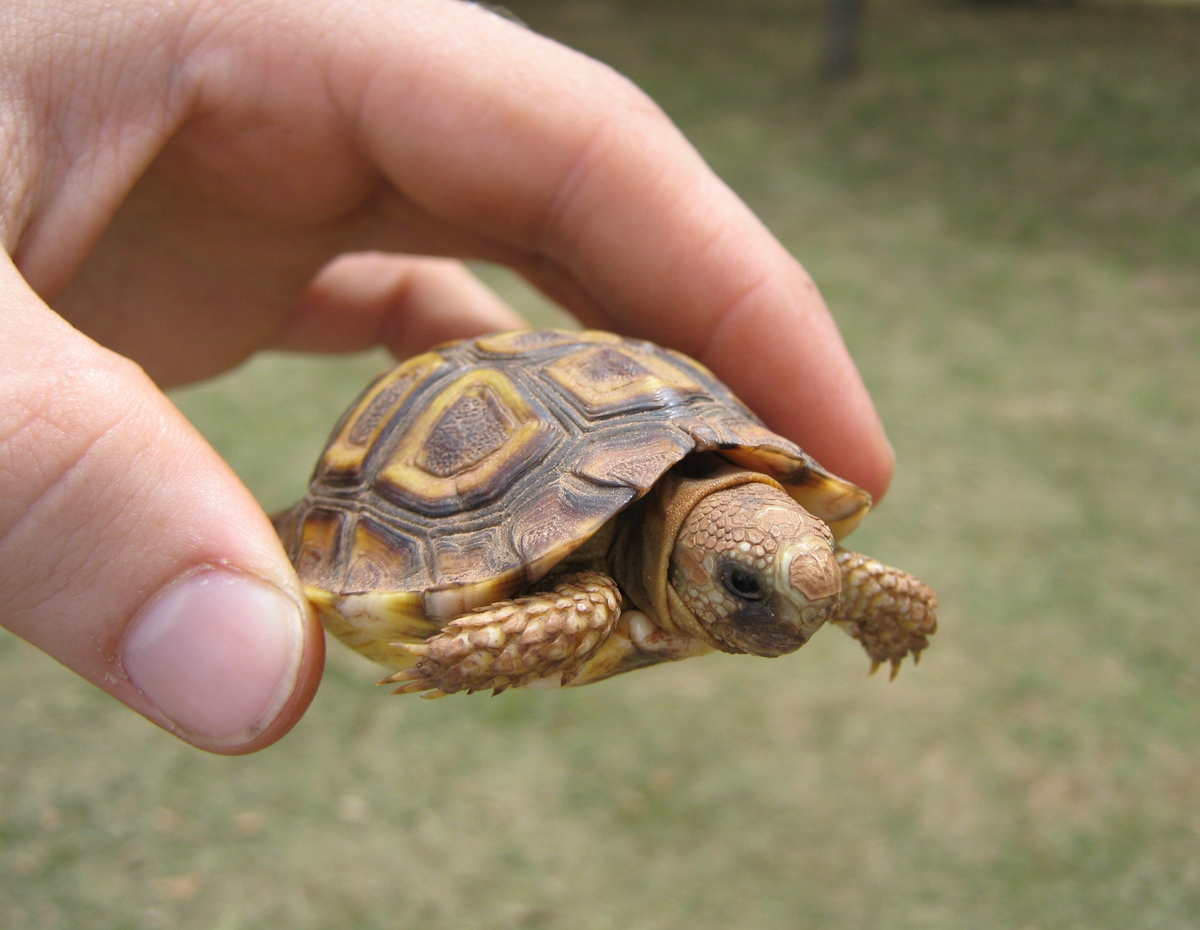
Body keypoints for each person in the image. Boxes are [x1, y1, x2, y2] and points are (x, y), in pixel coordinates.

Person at [0, 0, 893, 754]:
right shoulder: (584, 598)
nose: (786, 617)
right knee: (579, 609)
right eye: (743, 585)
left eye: (777, 582)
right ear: (694, 567)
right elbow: (563, 604)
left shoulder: (771, 541)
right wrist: (467, 648)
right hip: (443, 515)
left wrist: (865, 598)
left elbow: (816, 570)